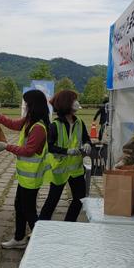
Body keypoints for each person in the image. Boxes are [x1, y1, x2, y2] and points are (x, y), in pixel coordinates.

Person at [0, 89, 50, 249]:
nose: (25, 105)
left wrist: (6, 146)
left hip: (31, 177)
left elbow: (29, 151)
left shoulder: (38, 127)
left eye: (27, 103)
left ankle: (43, 241)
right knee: (20, 206)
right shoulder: (30, 120)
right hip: (25, 176)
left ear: (33, 105)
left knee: (28, 210)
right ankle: (19, 238)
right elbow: (15, 125)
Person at [39, 90, 92, 222]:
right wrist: (66, 151)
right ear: (66, 103)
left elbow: (87, 139)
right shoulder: (55, 125)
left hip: (76, 170)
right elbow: (49, 147)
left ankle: (69, 223)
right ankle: (40, 226)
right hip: (59, 170)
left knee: (80, 199)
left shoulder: (80, 122)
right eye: (74, 100)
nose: (76, 103)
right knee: (52, 200)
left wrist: (87, 144)